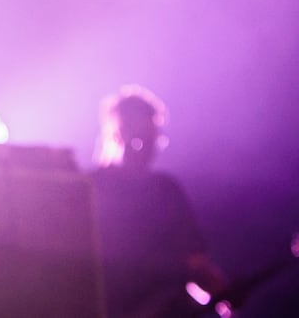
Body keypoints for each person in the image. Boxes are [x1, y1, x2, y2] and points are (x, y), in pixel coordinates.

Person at [90, 86, 227, 318]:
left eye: (151, 140)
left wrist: (224, 292)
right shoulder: (90, 189)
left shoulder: (166, 190)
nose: (146, 150)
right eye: (139, 140)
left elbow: (196, 265)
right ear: (117, 136)